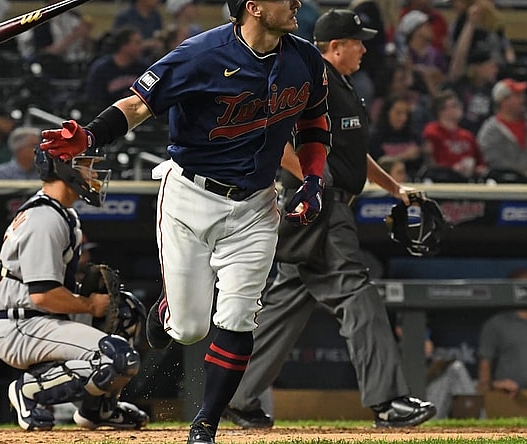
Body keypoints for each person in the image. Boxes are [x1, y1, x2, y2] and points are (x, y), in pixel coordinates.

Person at [39, 0, 333, 439]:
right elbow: (138, 105)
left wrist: (312, 180)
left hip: (255, 205)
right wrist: (90, 135)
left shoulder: (305, 57)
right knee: (191, 328)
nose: (296, 3)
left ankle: (205, 425)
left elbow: (313, 124)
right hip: (191, 197)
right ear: (253, 7)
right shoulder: (200, 54)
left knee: (238, 316)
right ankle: (166, 312)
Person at [223, 9, 436, 430]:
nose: (364, 47)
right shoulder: (308, 76)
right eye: (358, 41)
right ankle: (388, 401)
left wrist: (396, 189)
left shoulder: (341, 85)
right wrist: (314, 181)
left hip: (323, 201)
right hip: (321, 204)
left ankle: (236, 397)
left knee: (287, 300)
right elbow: (274, 137)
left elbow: (354, 154)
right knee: (356, 291)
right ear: (335, 47)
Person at [0, 148, 149, 431]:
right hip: (20, 324)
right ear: (64, 168)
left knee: (126, 311)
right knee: (118, 358)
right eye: (87, 166)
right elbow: (43, 294)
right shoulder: (44, 219)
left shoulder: (62, 213)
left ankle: (97, 409)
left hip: (42, 317)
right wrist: (89, 305)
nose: (94, 174)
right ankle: (29, 390)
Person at [393, 314, 477, 420]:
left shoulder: (430, 351)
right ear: (399, 330)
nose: (422, 331)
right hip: (405, 404)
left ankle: (478, 422)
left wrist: (430, 360)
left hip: (428, 398)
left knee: (456, 369)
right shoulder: (393, 352)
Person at [477, 78, 527, 183]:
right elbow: (493, 160)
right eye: (517, 96)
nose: (523, 99)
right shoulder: (490, 131)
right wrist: (521, 173)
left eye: (523, 95)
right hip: (509, 186)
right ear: (503, 101)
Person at [421, 90, 487, 182]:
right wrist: (452, 169)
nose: (459, 108)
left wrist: (477, 169)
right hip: (443, 181)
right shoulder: (432, 132)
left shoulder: (467, 136)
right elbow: (431, 163)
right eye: (454, 105)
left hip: (468, 181)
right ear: (442, 110)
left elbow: (480, 163)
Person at [83, 26, 148, 115]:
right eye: (137, 43)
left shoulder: (143, 68)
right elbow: (94, 99)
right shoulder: (102, 69)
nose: (141, 47)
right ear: (124, 46)